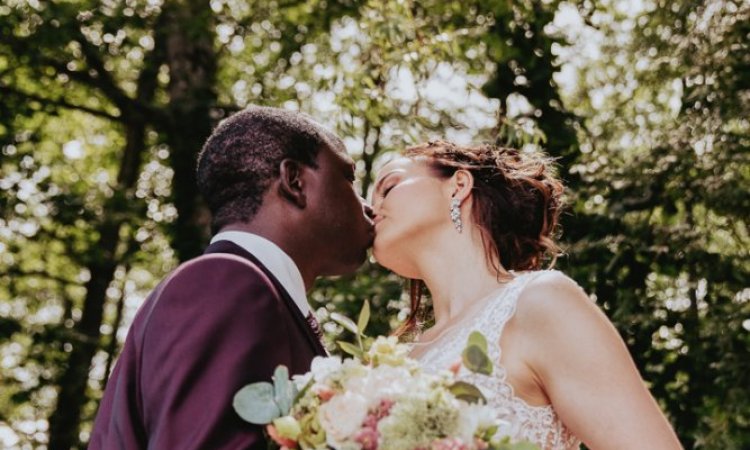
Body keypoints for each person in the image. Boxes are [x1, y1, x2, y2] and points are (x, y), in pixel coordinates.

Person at [89, 106, 374, 449]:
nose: (367, 206)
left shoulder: (244, 291)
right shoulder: (226, 283)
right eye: (349, 178)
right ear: (295, 181)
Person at [371, 140, 682, 450]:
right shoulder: (399, 361)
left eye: (389, 186)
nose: (371, 208)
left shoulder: (540, 302)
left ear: (459, 185)